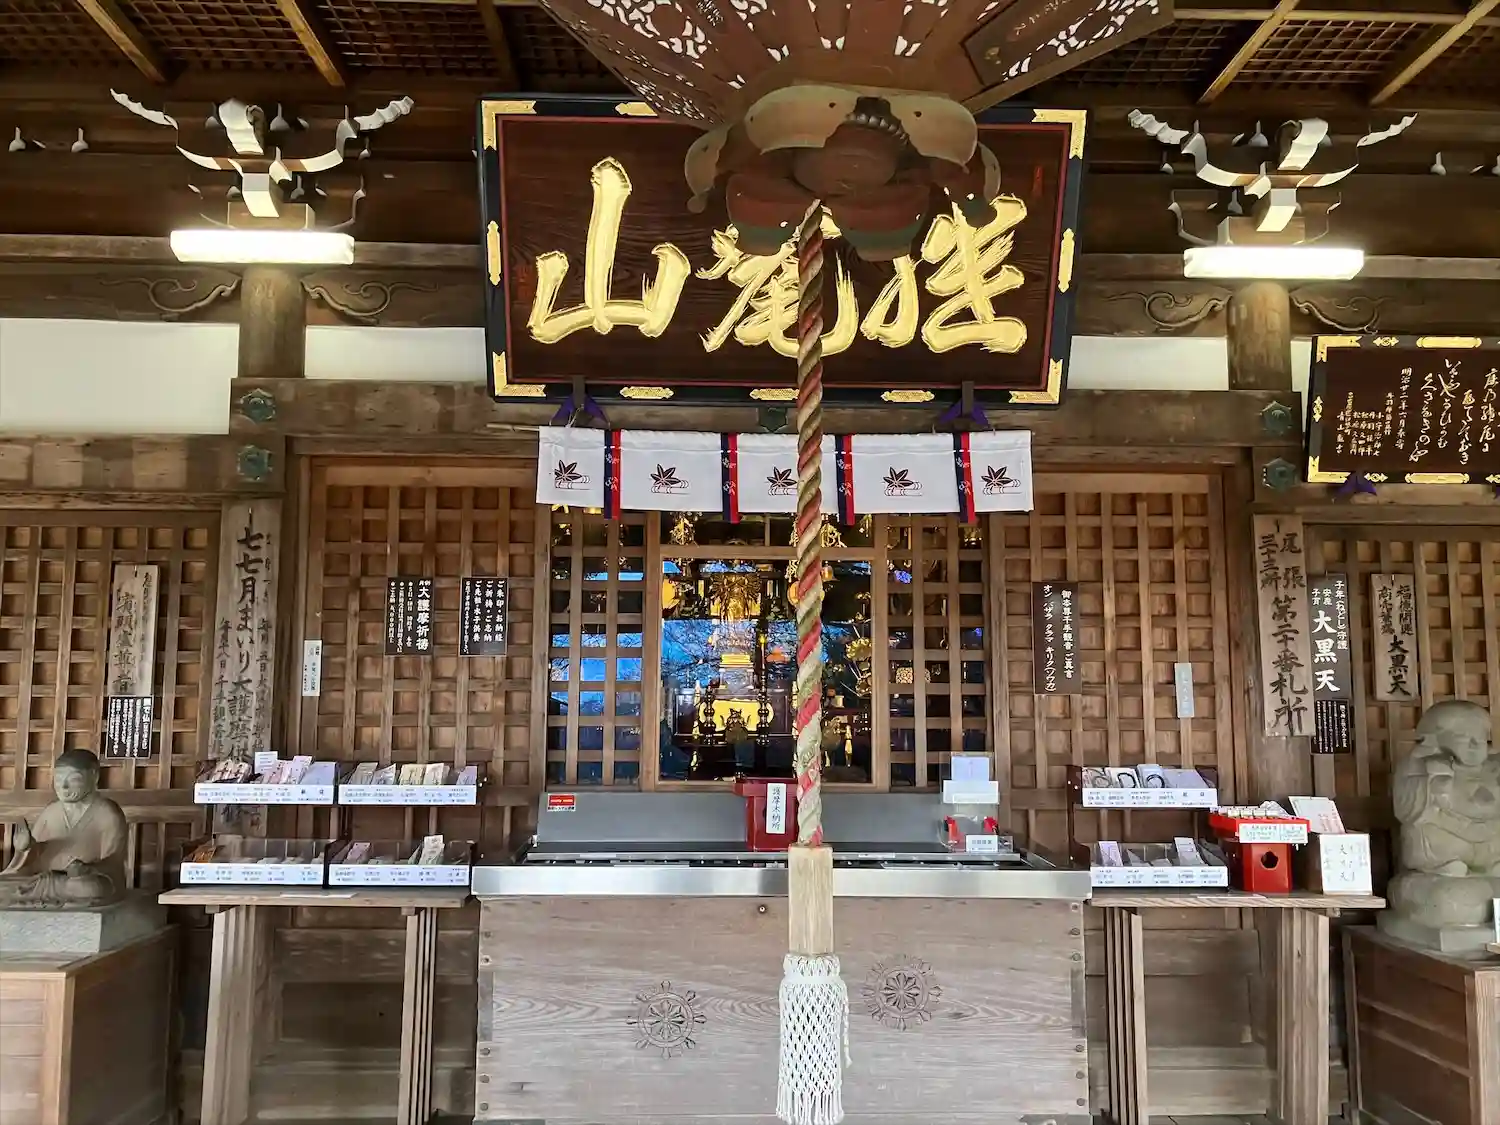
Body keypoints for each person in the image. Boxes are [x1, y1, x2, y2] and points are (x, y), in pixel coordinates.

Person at [0, 748, 128, 907]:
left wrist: (87, 869)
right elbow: (36, 857)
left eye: (73, 779)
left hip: (80, 881)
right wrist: (26, 847)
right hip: (44, 879)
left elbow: (114, 859)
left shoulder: (107, 813)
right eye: (58, 780)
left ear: (94, 776)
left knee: (90, 888)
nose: (64, 787)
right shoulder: (51, 811)